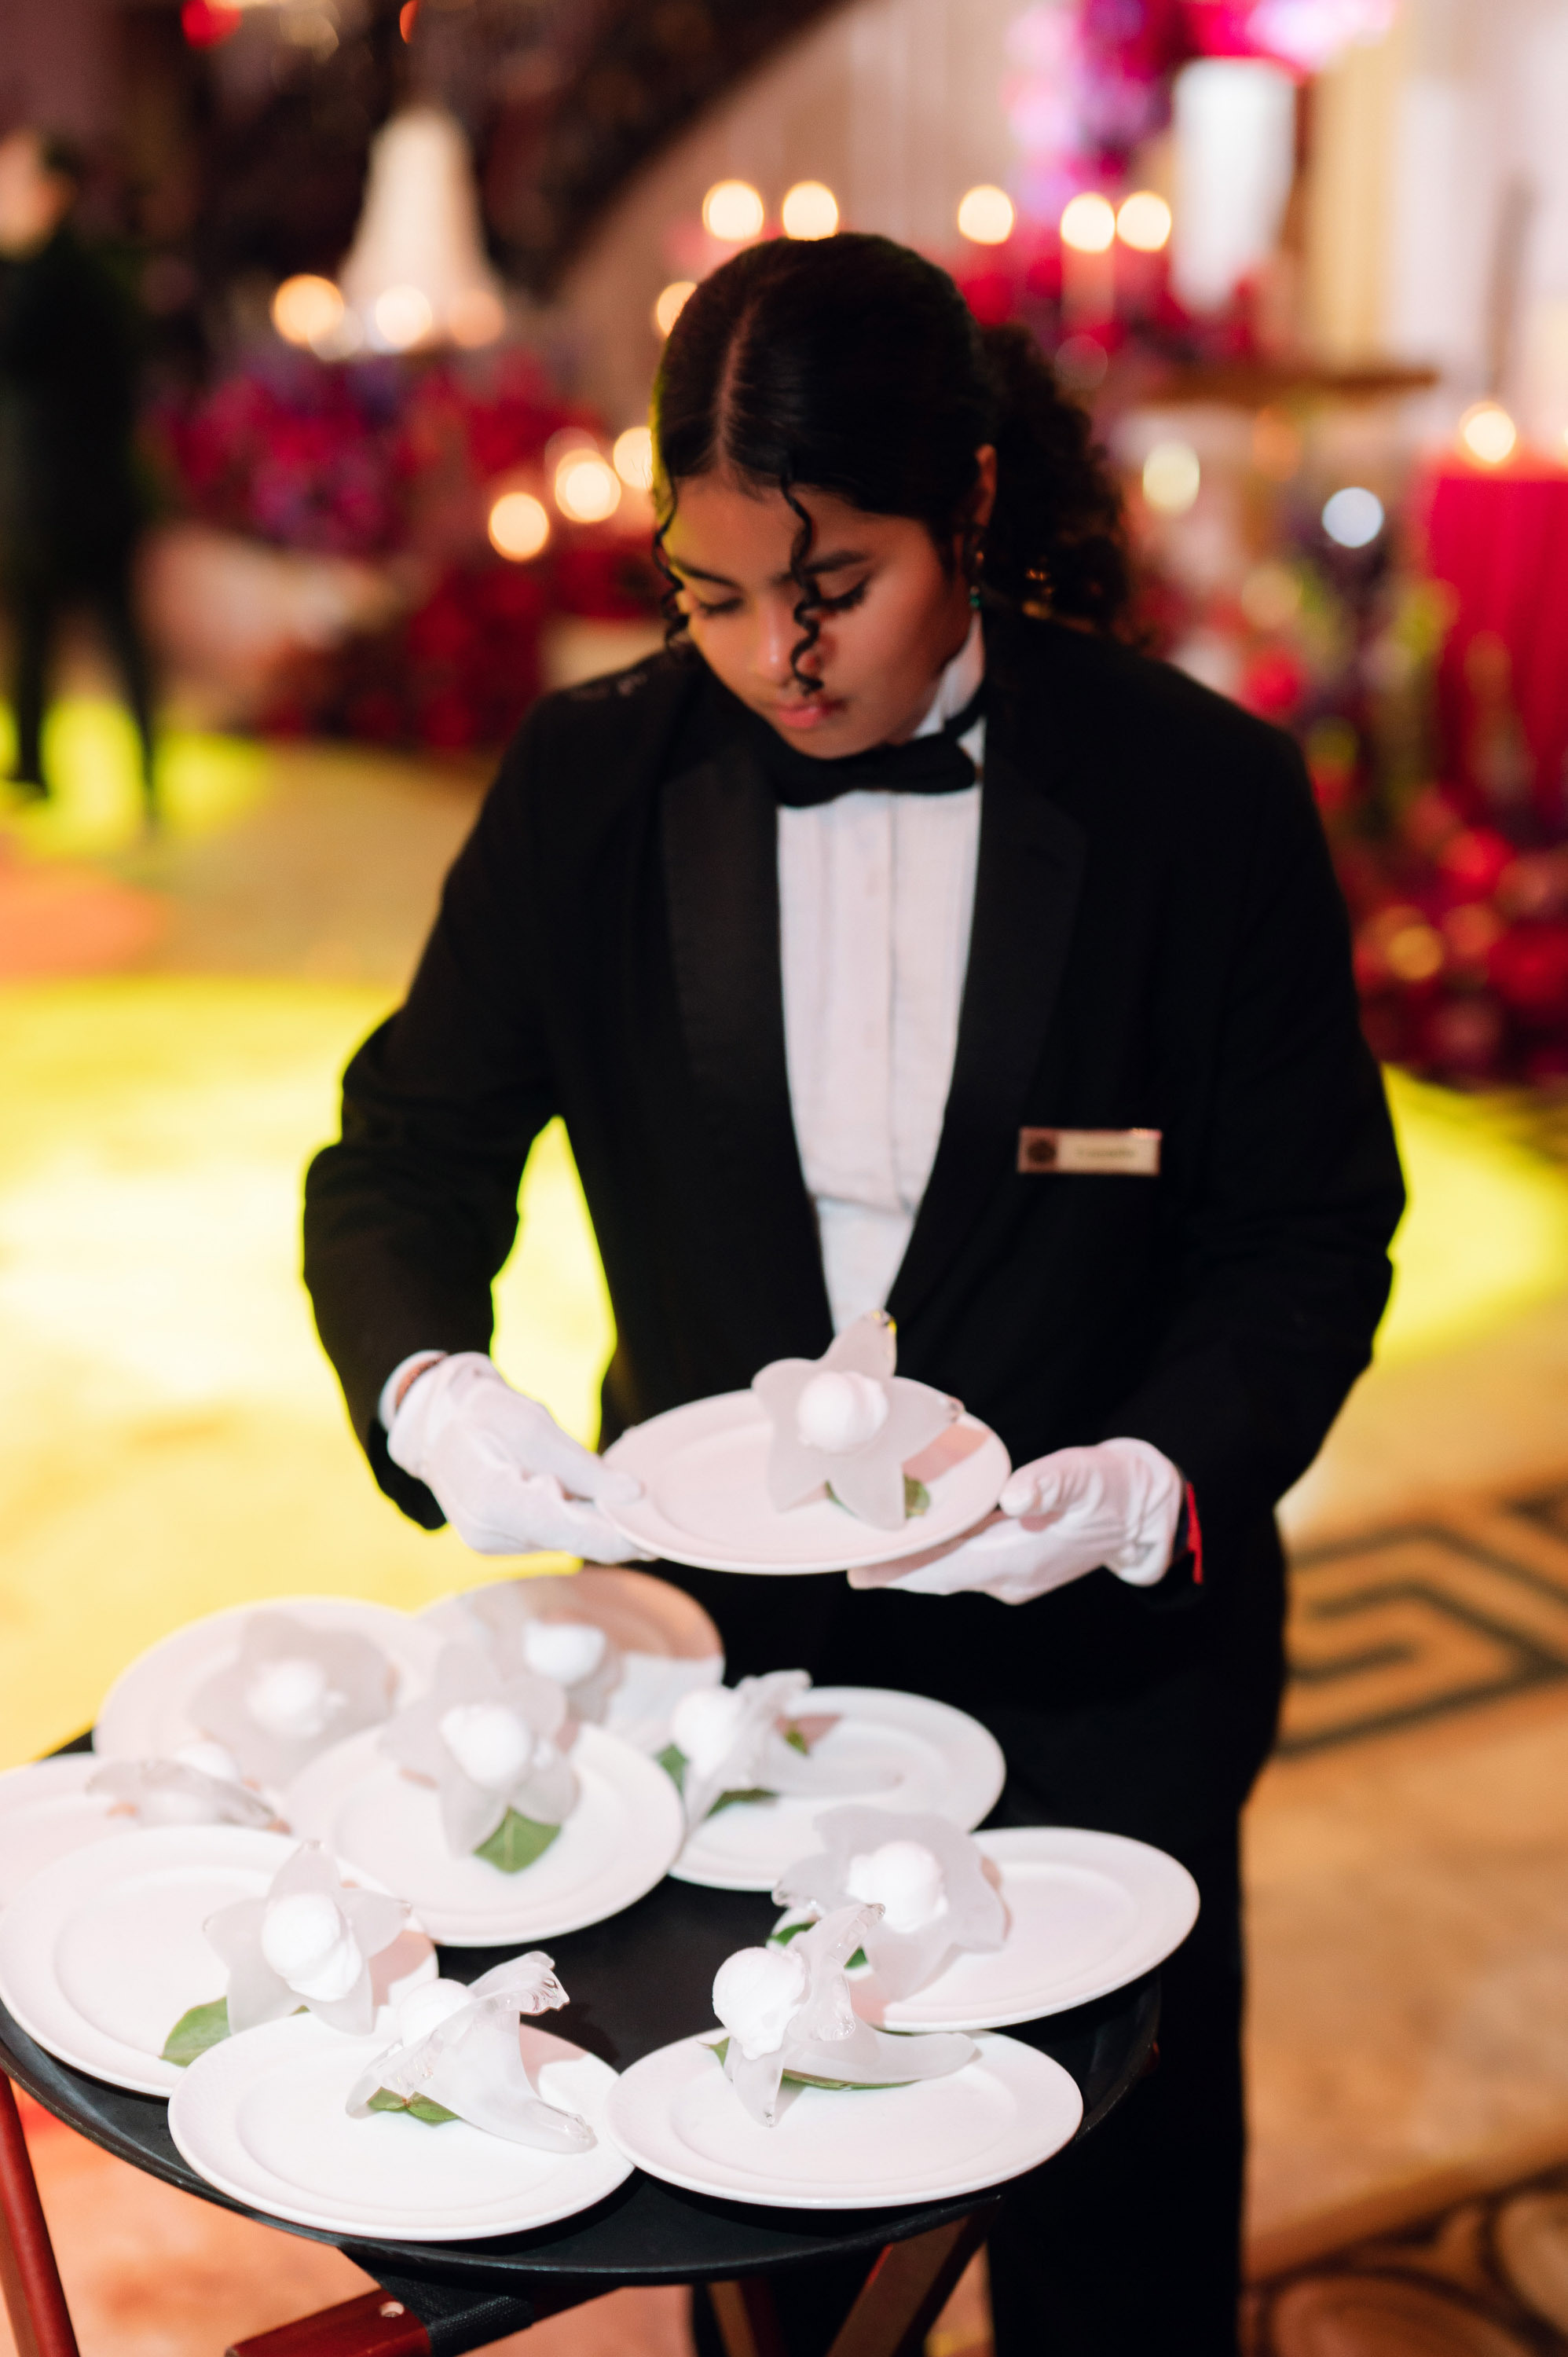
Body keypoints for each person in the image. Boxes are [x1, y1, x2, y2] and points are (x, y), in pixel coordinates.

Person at [303, 232, 1403, 2355]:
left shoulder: (1196, 800)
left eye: (835, 588)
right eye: (711, 597)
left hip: (1104, 1684)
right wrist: (432, 1382)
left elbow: (1306, 1234)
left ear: (967, 504)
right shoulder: (589, 783)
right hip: (728, 1684)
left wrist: (1153, 1476)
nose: (776, 664)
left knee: (1119, 2266)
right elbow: (403, 1157)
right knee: (768, 2253)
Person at [0, 129, 156, 818]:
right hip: (84, 487)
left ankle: (68, 770)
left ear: (51, 193)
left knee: (89, 633)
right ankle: (47, 766)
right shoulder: (90, 272)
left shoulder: (48, 278)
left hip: (59, 493)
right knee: (54, 635)